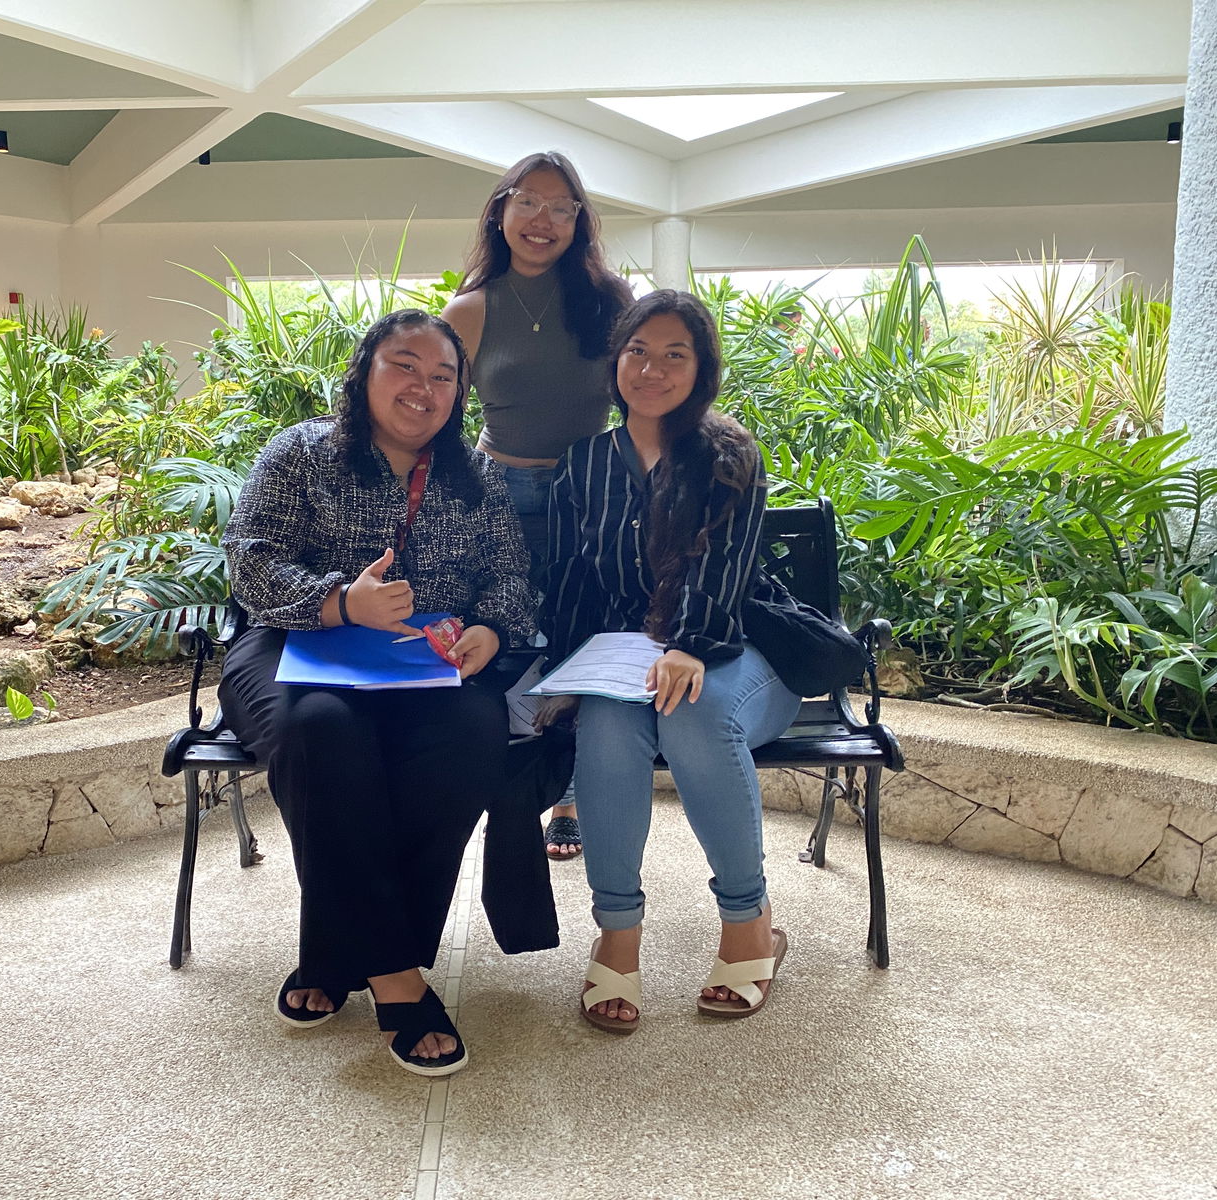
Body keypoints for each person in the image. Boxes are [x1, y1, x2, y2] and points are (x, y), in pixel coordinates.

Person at [218, 309, 534, 1077]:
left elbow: (512, 579)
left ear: (460, 393)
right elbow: (248, 559)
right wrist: (339, 602)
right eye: (405, 365)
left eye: (443, 375)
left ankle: (332, 953)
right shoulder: (300, 452)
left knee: (469, 736)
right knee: (323, 731)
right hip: (297, 644)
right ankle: (396, 979)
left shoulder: (475, 473)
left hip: (424, 661)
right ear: (365, 372)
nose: (423, 388)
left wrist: (491, 629)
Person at [539, 290, 801, 1033]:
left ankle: (749, 926)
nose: (652, 368)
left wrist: (689, 646)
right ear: (616, 360)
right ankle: (618, 936)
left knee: (691, 715)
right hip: (634, 661)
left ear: (702, 367)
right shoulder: (584, 464)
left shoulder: (728, 454)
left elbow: (726, 575)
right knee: (610, 727)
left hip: (742, 654)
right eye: (638, 351)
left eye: (674, 354)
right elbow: (568, 582)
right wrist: (570, 676)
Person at [442, 150, 633, 860]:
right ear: (502, 209)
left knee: (579, 636)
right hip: (501, 493)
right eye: (530, 202)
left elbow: (642, 390)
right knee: (511, 641)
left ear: (579, 220)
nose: (543, 220)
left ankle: (571, 795)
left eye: (562, 207)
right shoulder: (469, 308)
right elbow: (438, 418)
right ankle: (514, 783)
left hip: (591, 493)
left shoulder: (609, 299)